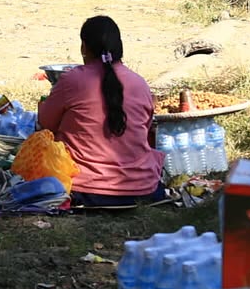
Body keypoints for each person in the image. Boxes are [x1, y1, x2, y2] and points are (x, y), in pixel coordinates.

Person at [37, 15, 164, 209]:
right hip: (144, 188)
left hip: (85, 190)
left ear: (84, 48)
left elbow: (45, 125)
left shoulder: (72, 80)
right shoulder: (140, 83)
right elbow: (145, 132)